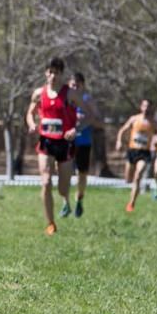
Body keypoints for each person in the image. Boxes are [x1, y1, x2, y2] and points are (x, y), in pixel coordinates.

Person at [25, 59, 90, 235]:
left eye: (57, 72)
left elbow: (88, 114)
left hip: (65, 143)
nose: (53, 76)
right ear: (46, 73)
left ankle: (66, 201)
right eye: (50, 72)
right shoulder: (39, 93)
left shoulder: (70, 94)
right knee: (46, 181)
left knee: (63, 188)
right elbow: (30, 113)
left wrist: (75, 130)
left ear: (62, 75)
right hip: (46, 142)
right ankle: (50, 223)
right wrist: (31, 124)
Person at [114, 98, 155, 212]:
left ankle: (131, 203)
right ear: (141, 107)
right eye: (144, 106)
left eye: (148, 106)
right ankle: (131, 190)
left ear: (151, 108)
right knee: (128, 178)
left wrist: (156, 142)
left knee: (138, 176)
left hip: (144, 152)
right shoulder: (134, 119)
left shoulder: (153, 122)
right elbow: (122, 130)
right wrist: (119, 141)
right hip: (132, 150)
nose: (146, 109)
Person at [68, 72, 98, 218]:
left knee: (81, 174)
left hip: (84, 141)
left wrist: (82, 119)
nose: (75, 87)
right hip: (67, 140)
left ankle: (79, 199)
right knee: (63, 170)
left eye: (78, 84)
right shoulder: (66, 99)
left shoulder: (87, 100)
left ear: (83, 86)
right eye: (73, 84)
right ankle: (65, 202)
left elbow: (95, 118)